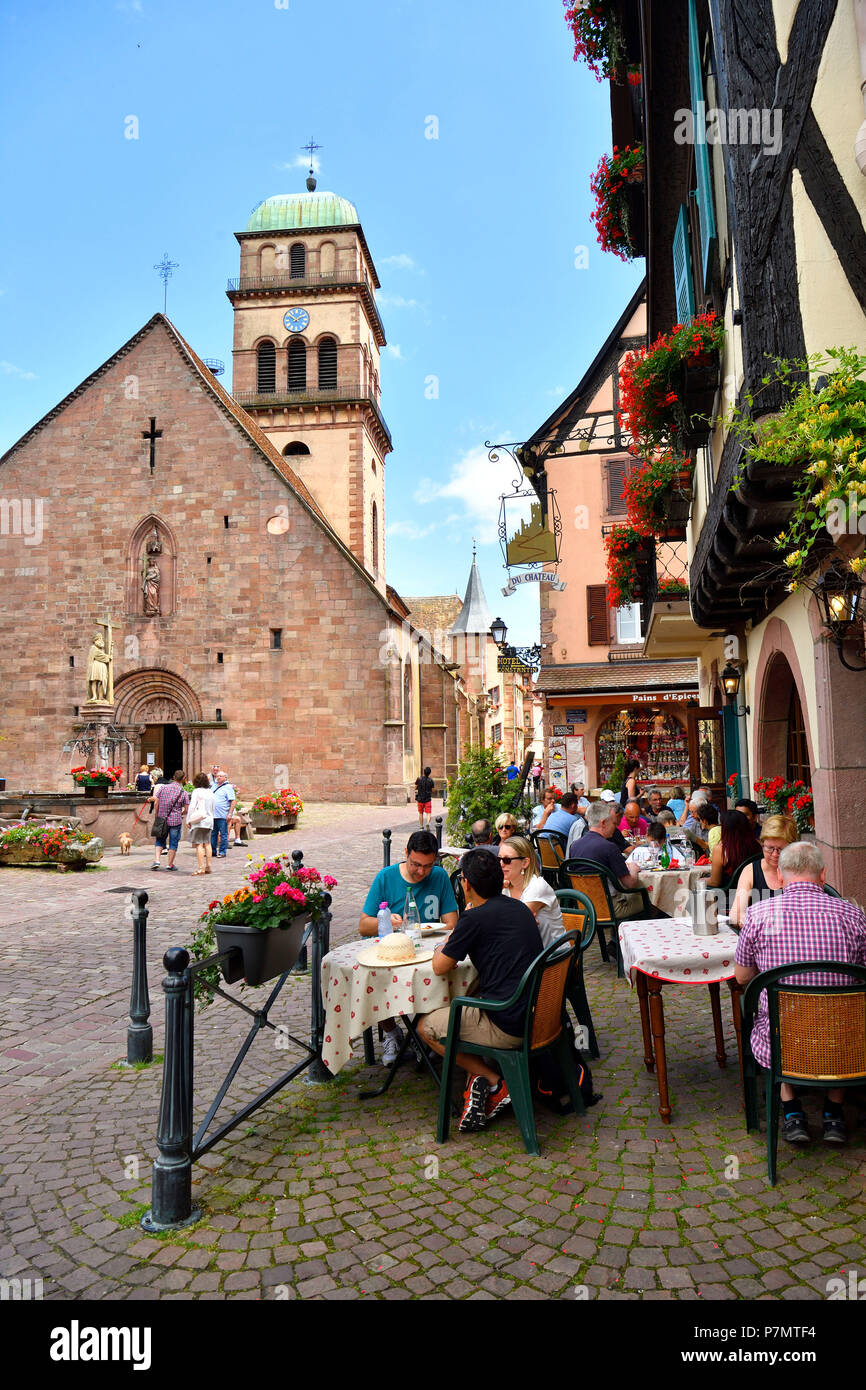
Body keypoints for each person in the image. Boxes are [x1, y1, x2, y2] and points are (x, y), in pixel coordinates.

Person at [735, 842, 866, 1145]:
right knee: (846, 1010)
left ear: (779, 876)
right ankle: (833, 1112)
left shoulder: (757, 915)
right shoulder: (854, 915)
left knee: (774, 1018)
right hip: (843, 1041)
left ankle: (791, 1107)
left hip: (784, 1043)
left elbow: (742, 977)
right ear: (823, 875)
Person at [418, 850, 544, 1132]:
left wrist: (447, 940)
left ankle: (493, 1080)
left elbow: (440, 966)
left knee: (425, 1026)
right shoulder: (519, 907)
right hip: (539, 1014)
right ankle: (475, 1079)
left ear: (466, 884)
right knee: (470, 995)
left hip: (507, 1023)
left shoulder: (473, 918)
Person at [361, 830, 460, 1066]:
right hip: (394, 952)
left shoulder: (439, 876)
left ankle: (421, 1032)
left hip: (429, 952)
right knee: (375, 978)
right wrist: (386, 921)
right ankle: (392, 1031)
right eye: (416, 864)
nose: (421, 872)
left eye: (427, 866)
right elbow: (364, 925)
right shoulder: (386, 877)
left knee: (443, 973)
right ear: (405, 853)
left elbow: (452, 923)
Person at [574, 801, 649, 919]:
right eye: (614, 823)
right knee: (651, 900)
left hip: (584, 907)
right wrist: (634, 869)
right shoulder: (609, 847)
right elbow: (630, 883)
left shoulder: (575, 845)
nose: (616, 827)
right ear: (603, 823)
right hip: (610, 908)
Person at [730, 815, 798, 925]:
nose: (775, 854)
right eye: (769, 848)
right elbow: (736, 914)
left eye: (781, 850)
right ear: (762, 844)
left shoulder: (802, 871)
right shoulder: (751, 871)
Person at [499, 835, 565, 947]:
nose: (501, 864)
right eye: (499, 859)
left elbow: (512, 924)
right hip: (525, 950)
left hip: (552, 956)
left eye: (507, 860)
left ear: (525, 863)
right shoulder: (505, 887)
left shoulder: (537, 887)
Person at [707, 809, 759, 889]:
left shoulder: (721, 849)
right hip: (755, 891)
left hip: (730, 895)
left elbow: (715, 882)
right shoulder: (757, 845)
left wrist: (699, 880)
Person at [149, 770, 189, 871]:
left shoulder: (163, 788)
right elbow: (186, 810)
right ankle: (170, 864)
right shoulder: (183, 793)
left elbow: (156, 800)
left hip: (162, 818)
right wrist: (180, 813)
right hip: (175, 821)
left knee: (160, 840)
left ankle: (157, 860)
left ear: (174, 777)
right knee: (173, 842)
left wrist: (157, 814)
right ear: (183, 779)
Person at [186, 771, 215, 875]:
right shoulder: (210, 792)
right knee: (207, 843)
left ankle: (201, 868)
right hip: (209, 820)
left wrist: (188, 820)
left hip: (199, 820)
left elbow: (192, 806)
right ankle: (208, 866)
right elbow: (213, 807)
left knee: (198, 844)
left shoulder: (197, 791)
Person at [211, 772, 236, 859]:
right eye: (217, 776)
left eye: (221, 776)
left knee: (223, 834)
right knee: (213, 834)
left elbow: (233, 801)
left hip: (223, 815)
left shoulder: (228, 787)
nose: (218, 777)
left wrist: (230, 813)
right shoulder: (213, 786)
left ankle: (222, 852)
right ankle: (213, 851)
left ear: (225, 777)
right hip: (213, 815)